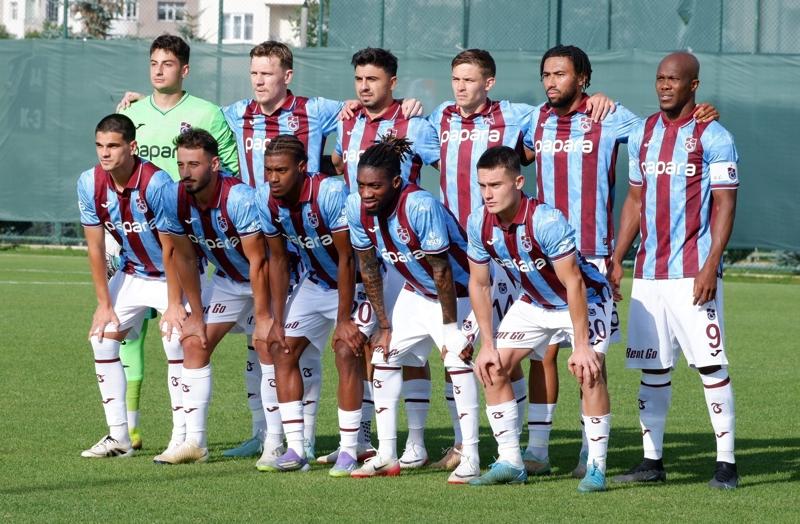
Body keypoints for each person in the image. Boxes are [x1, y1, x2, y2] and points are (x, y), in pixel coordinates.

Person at [520, 45, 718, 478]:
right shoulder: (534, 119)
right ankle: (537, 450)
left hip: (590, 254)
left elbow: (663, 127)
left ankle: (589, 455)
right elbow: (506, 142)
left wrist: (702, 115)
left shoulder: (609, 116)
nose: (551, 81)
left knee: (590, 357)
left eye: (560, 74)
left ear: (583, 78)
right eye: (546, 74)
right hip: (541, 255)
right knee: (542, 353)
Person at [425, 48, 615, 470]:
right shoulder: (438, 118)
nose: (461, 87)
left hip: (565, 253)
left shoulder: (525, 116)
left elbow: (561, 112)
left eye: (470, 79)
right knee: (475, 355)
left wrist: (597, 99)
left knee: (567, 360)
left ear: (489, 83)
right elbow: (400, 136)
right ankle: (485, 451)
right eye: (456, 79)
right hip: (487, 254)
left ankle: (576, 455)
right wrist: (401, 106)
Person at [610, 52, 739, 490]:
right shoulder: (643, 133)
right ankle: (652, 461)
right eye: (660, 78)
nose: (665, 86)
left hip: (692, 272)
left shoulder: (714, 135)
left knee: (711, 365)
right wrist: (617, 258)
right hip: (649, 273)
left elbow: (725, 204)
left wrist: (711, 264)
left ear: (693, 85)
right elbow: (634, 200)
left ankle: (726, 464)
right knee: (653, 368)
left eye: (674, 79)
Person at [114, 34, 239, 451]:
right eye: (153, 63)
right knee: (125, 332)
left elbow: (229, 170)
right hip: (135, 237)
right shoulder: (132, 112)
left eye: (167, 63)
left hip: (186, 238)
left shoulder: (206, 113)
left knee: (175, 335)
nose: (158, 70)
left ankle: (183, 434)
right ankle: (128, 429)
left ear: (184, 70)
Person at [466, 145, 613, 491]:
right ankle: (510, 462)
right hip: (534, 302)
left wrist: (581, 346)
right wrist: (487, 344)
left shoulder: (546, 220)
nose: (488, 194)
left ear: (518, 182)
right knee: (491, 367)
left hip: (586, 299)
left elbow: (574, 282)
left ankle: (595, 466)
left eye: (496, 185)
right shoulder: (478, 222)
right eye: (482, 186)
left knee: (588, 371)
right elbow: (479, 283)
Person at [326, 47, 441, 470]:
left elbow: (448, 167)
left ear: (392, 82)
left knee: (407, 352)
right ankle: (358, 441)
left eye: (372, 79)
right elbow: (337, 164)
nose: (364, 87)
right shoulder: (347, 121)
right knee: (354, 344)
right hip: (363, 252)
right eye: (359, 79)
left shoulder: (415, 124)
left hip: (406, 258)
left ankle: (415, 444)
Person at [345, 136, 480, 484]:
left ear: (395, 182)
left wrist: (450, 330)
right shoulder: (356, 207)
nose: (366, 193)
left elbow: (443, 270)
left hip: (462, 293)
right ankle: (387, 455)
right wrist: (385, 325)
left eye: (375, 186)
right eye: (361, 185)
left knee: (455, 359)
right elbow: (369, 267)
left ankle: (471, 455)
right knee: (383, 355)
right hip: (417, 291)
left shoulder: (420, 205)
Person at [148, 129, 271, 464]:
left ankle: (273, 440)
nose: (186, 172)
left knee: (268, 347)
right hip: (229, 281)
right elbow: (185, 257)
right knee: (193, 341)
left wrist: (263, 317)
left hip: (269, 281)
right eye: (181, 165)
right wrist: (197, 315)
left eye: (194, 165)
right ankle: (195, 443)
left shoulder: (240, 198)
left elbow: (260, 262)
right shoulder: (174, 197)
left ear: (215, 164)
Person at [257, 135, 373, 475]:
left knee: (346, 350)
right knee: (281, 348)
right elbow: (278, 260)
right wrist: (278, 321)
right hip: (315, 282)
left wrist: (343, 320)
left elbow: (347, 258)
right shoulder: (266, 200)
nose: (273, 178)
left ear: (302, 167)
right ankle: (296, 448)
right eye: (268, 170)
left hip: (359, 284)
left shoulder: (329, 193)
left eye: (281, 170)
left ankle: (349, 450)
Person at [76, 114, 185, 459]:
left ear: (132, 146)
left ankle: (182, 438)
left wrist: (174, 303)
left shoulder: (157, 183)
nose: (104, 153)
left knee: (175, 342)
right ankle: (119, 437)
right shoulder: (89, 182)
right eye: (99, 146)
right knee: (101, 338)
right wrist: (103, 303)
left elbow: (172, 247)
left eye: (113, 146)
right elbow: (95, 247)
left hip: (173, 275)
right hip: (132, 272)